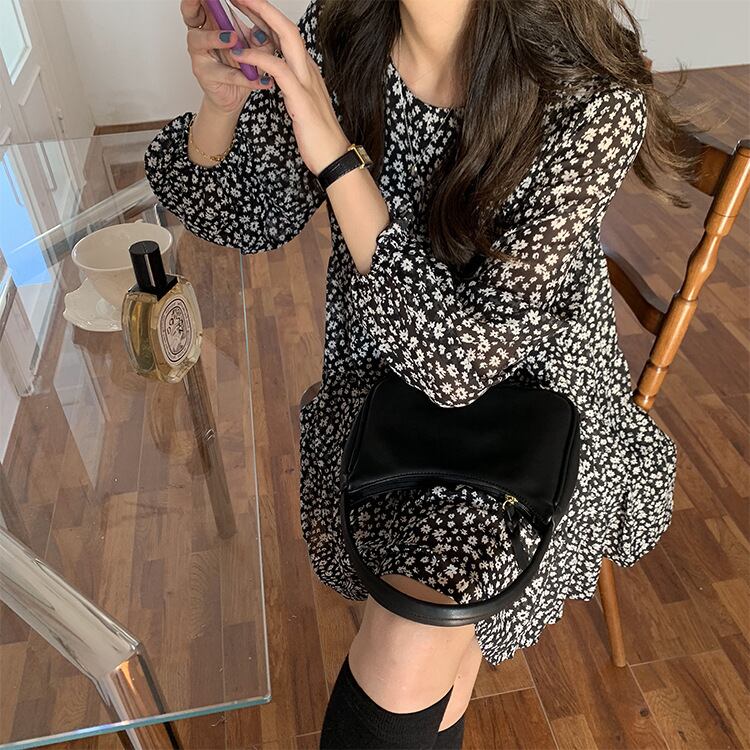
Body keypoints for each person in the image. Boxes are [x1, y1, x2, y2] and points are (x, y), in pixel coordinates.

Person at [145, 0, 700, 746]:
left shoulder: (589, 94)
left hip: (535, 410)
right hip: (382, 387)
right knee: (431, 649)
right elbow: (249, 215)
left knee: (411, 643)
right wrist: (221, 106)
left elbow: (461, 364)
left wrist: (334, 153)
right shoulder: (342, 32)